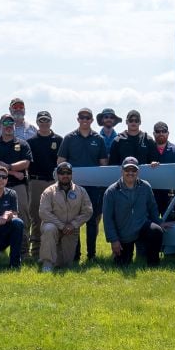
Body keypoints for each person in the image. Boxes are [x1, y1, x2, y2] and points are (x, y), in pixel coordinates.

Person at [57, 107, 108, 260]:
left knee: (92, 221)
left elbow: (103, 164)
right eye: (82, 117)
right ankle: (75, 255)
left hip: (93, 188)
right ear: (77, 119)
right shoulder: (69, 138)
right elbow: (61, 162)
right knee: (74, 221)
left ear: (92, 120)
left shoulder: (98, 139)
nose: (85, 120)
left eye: (88, 117)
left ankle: (91, 255)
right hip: (74, 187)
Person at [0, 113, 33, 260]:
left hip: (18, 186)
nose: (8, 127)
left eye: (10, 124)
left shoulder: (23, 144)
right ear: (0, 126)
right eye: (5, 124)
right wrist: (13, 171)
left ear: (14, 126)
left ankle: (24, 252)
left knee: (23, 218)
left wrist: (7, 166)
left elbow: (26, 163)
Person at [103, 157, 164, 266]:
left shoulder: (145, 186)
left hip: (141, 226)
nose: (130, 173)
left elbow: (152, 207)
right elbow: (108, 219)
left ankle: (153, 264)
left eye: (133, 170)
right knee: (123, 264)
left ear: (138, 171)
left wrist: (159, 223)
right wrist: (114, 240)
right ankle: (121, 255)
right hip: (124, 233)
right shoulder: (111, 191)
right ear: (122, 171)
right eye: (127, 170)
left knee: (156, 231)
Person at [38, 162, 93, 271]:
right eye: (62, 173)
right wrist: (62, 226)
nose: (65, 175)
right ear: (57, 175)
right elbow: (43, 212)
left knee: (65, 264)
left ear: (72, 174)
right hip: (54, 227)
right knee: (49, 228)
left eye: (68, 173)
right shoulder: (48, 192)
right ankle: (47, 263)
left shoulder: (81, 191)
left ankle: (55, 260)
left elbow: (88, 211)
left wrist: (73, 225)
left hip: (71, 230)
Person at [26, 110, 63, 261]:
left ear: (51, 122)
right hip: (36, 182)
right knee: (36, 217)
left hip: (54, 183)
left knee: (56, 215)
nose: (44, 123)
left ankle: (55, 250)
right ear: (37, 122)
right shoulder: (31, 142)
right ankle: (35, 252)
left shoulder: (59, 140)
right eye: (41, 120)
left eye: (46, 120)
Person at [151, 121, 175, 215]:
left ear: (168, 133)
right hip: (152, 194)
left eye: (164, 131)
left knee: (171, 223)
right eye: (158, 131)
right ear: (154, 134)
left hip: (170, 194)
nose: (161, 133)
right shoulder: (148, 149)